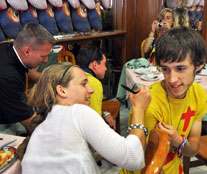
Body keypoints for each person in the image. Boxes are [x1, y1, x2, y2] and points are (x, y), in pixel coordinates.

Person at [20, 63, 152, 173]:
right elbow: (134, 159)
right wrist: (139, 109)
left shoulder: (40, 129)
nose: (91, 90)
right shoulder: (77, 112)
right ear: (62, 90)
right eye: (83, 84)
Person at [121, 27, 207, 174]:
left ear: (199, 64)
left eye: (180, 68)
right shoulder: (150, 105)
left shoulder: (198, 93)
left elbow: (193, 149)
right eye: (166, 69)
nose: (172, 79)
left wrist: (178, 141)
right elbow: (146, 167)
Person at [0, 23, 55, 129]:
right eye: (43, 56)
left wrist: (53, 78)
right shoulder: (8, 78)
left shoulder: (7, 48)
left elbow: (28, 72)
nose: (46, 60)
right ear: (27, 51)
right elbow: (30, 122)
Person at [76, 45, 116, 130]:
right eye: (104, 64)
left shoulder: (74, 74)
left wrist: (104, 113)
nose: (106, 68)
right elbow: (95, 122)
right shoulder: (94, 84)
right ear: (95, 64)